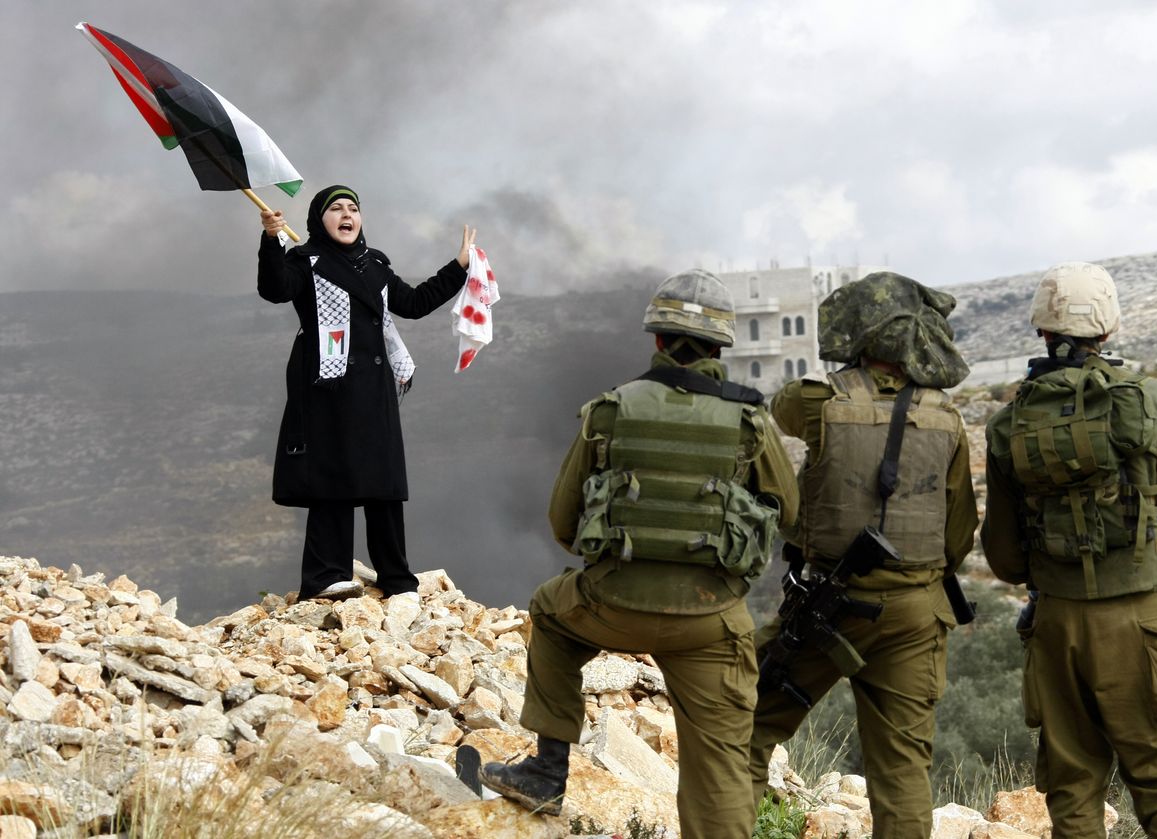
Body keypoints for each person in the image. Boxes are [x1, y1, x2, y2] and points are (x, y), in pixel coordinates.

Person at [478, 269, 800, 839]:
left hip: (612, 602)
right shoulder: (751, 419)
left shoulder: (611, 408)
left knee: (550, 611)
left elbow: (563, 521)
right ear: (721, 344)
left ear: (656, 340)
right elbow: (788, 512)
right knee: (721, 768)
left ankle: (548, 772)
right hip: (710, 620)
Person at [982, 261, 1157, 838]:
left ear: (1042, 330)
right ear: (1109, 328)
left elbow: (1004, 558)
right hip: (1142, 620)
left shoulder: (1008, 424)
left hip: (1055, 627)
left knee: (1073, 788)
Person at [748, 271, 978, 839]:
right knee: (902, 771)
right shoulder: (946, 417)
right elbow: (959, 533)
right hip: (915, 613)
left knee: (749, 732)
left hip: (831, 607)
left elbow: (778, 409)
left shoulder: (818, 403)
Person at [257, 185, 475, 601]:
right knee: (331, 480)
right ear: (319, 220)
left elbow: (413, 302)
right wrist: (271, 240)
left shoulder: (374, 264)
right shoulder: (304, 261)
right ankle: (325, 577)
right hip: (326, 386)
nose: (346, 214)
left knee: (384, 482)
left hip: (374, 388)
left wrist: (459, 266)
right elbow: (275, 289)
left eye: (353, 208)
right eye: (335, 208)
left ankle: (397, 579)